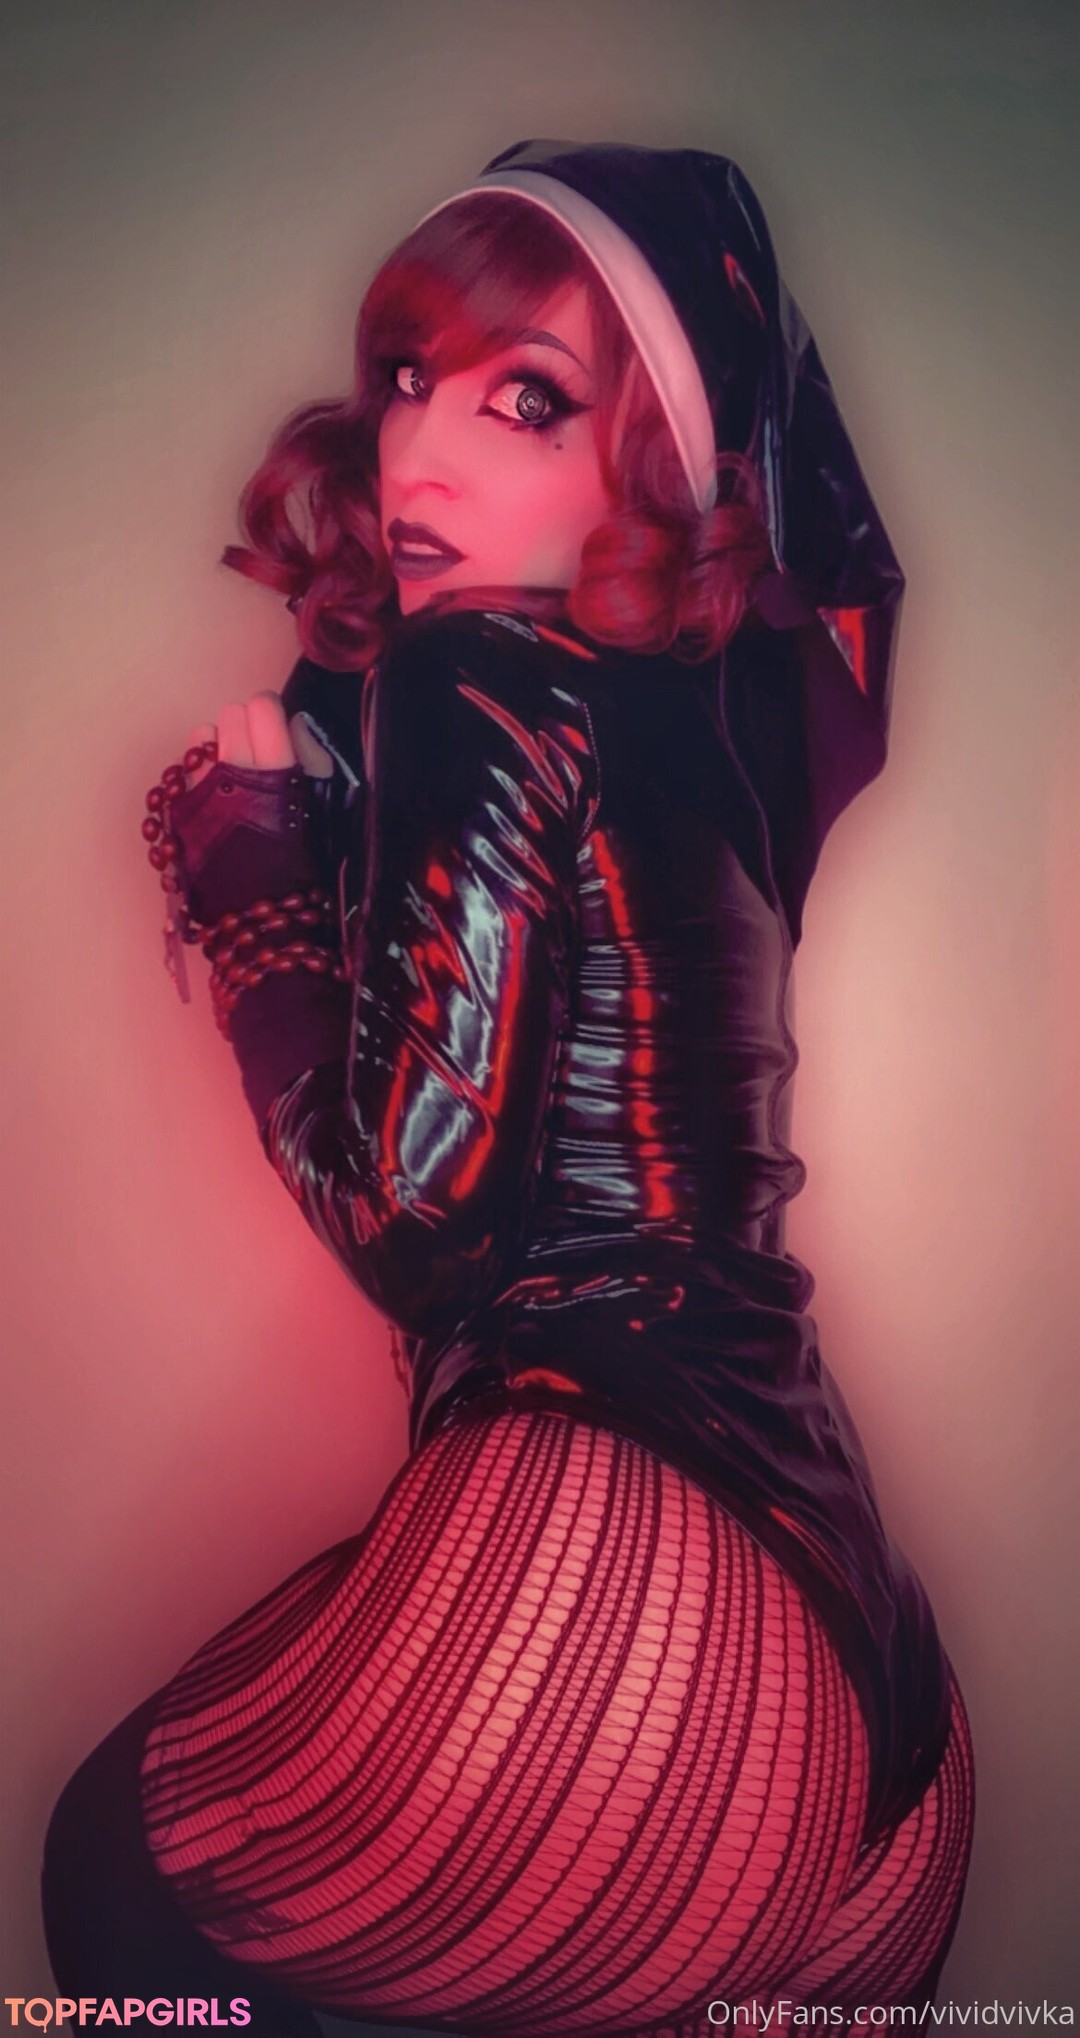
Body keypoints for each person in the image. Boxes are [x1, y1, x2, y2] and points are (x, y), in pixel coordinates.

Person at [41, 142, 974, 2035]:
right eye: (407, 380)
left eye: (527, 398)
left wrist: (258, 912)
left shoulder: (473, 667)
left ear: (664, 469)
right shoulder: (723, 732)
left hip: (627, 1605)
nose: (421, 458)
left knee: (112, 1893)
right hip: (884, 1704)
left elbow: (420, 1226)